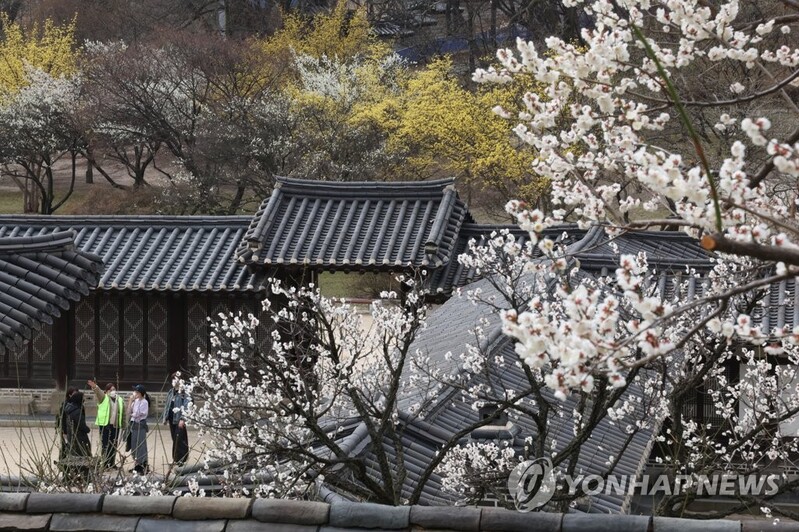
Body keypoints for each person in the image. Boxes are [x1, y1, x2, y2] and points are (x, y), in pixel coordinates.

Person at [87, 379, 123, 469]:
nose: (113, 391)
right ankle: (105, 463)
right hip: (105, 425)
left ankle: (112, 463)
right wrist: (95, 387)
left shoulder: (119, 399)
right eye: (111, 390)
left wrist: (123, 424)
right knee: (105, 445)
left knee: (113, 445)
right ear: (106, 391)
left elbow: (123, 413)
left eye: (114, 389)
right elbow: (98, 393)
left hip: (115, 425)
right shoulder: (103, 398)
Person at [161, 372, 189, 466]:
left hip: (179, 419)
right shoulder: (171, 391)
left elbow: (187, 405)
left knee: (180, 439)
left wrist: (183, 418)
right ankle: (175, 459)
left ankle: (181, 460)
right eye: (173, 379)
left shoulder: (184, 392)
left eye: (176, 379)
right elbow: (167, 405)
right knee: (174, 438)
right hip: (172, 418)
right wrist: (165, 417)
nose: (174, 381)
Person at [61, 390, 91, 458]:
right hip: (79, 437)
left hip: (72, 436)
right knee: (83, 454)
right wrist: (87, 429)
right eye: (83, 398)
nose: (84, 399)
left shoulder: (70, 409)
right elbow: (81, 425)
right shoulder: (77, 412)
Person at [127, 384, 149, 474]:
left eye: (136, 392)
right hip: (133, 424)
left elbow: (139, 413)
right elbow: (129, 411)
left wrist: (132, 414)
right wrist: (130, 402)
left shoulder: (144, 402)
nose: (135, 393)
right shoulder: (135, 401)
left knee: (141, 444)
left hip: (140, 424)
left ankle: (143, 465)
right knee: (134, 444)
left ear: (140, 393)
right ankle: (136, 464)